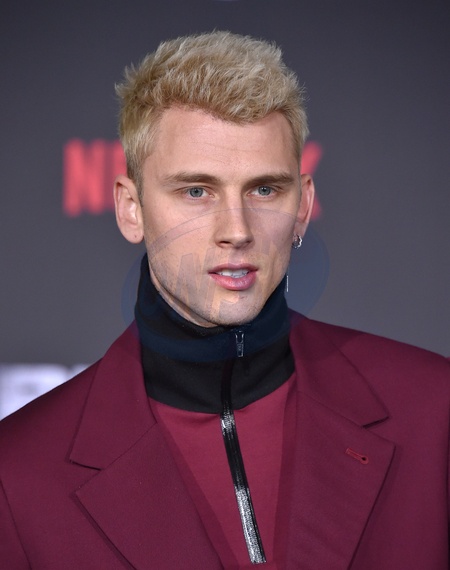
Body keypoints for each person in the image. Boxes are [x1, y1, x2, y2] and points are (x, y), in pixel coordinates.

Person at [0, 31, 449, 570]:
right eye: (196, 191)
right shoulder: (18, 473)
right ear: (130, 209)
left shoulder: (435, 412)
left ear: (303, 206)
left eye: (264, 189)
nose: (236, 230)